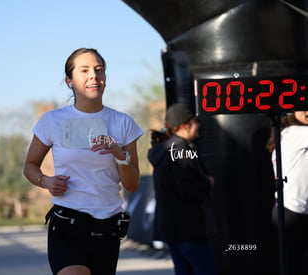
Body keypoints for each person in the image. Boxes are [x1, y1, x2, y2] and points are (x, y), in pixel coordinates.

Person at [23, 48, 143, 275]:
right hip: (68, 223)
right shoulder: (52, 120)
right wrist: (45, 181)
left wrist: (118, 154)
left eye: (99, 70)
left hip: (107, 227)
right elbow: (29, 166)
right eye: (84, 70)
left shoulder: (123, 123)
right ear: (70, 81)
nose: (93, 76)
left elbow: (132, 185)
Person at [148, 103, 217, 275]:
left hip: (173, 229)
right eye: (195, 122)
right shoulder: (180, 150)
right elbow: (187, 188)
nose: (199, 125)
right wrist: (208, 182)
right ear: (186, 125)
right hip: (188, 229)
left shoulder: (164, 149)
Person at [267, 110, 308, 275]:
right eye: (303, 108)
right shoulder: (295, 133)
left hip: (288, 211)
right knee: (294, 266)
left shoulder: (286, 134)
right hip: (291, 214)